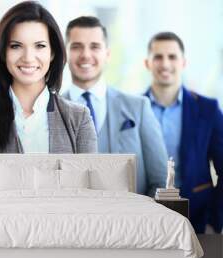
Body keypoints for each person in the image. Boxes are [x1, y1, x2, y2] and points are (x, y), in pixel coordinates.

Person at [0, 1, 97, 202]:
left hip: (67, 231)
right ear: (3, 52)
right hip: (2, 231)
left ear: (52, 53)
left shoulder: (79, 118)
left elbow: (90, 192)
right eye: (16, 46)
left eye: (40, 46)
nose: (28, 57)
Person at [63, 16, 167, 197]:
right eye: (76, 46)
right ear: (65, 54)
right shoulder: (49, 112)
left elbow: (160, 181)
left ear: (107, 54)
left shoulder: (139, 108)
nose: (86, 55)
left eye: (95, 46)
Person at [144, 31, 223, 233]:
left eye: (172, 57)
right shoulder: (134, 109)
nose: (165, 64)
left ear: (183, 63)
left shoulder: (208, 109)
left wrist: (214, 222)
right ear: (147, 63)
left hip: (197, 219)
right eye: (158, 57)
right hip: (144, 221)